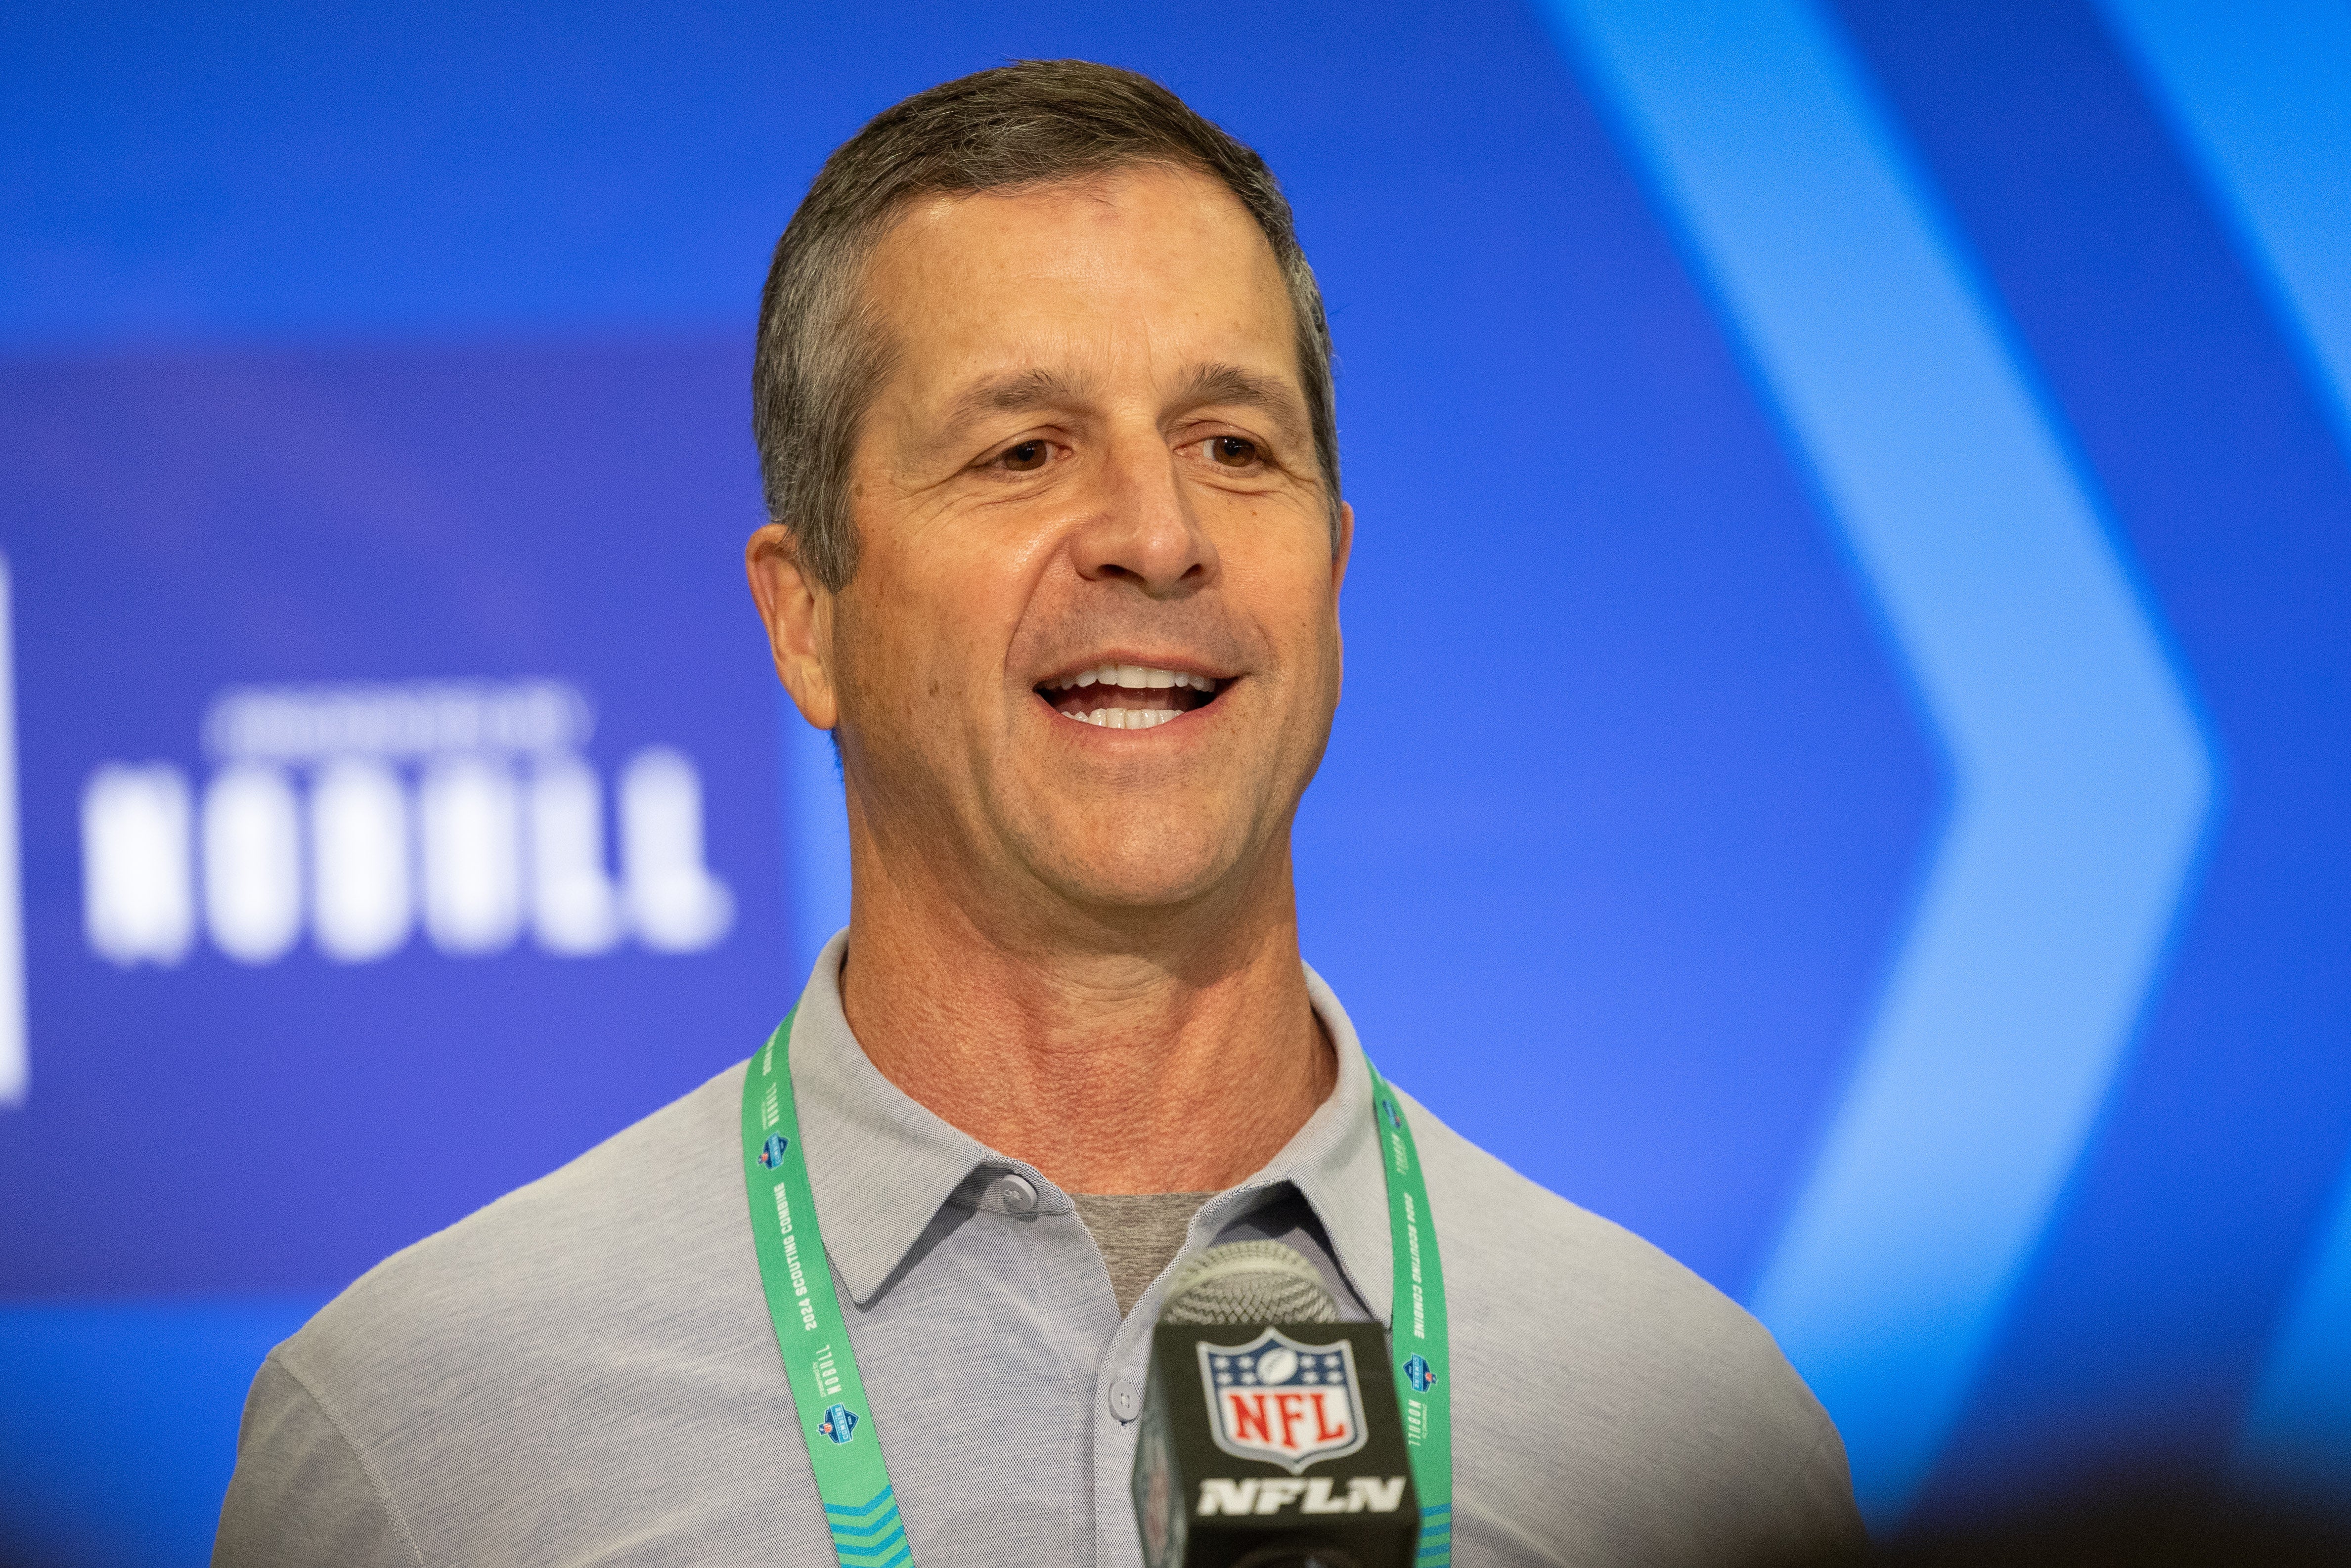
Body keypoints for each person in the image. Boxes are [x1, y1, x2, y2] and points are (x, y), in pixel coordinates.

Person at [215, 60, 1863, 1568]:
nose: (1155, 531)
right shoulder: (424, 1439)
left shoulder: (1696, 1438)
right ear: (807, 617)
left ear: (1332, 570)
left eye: (1232, 445)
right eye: (1021, 451)